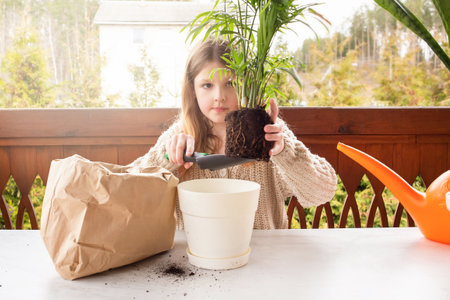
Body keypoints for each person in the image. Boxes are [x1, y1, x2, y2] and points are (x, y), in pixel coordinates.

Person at [130, 39, 337, 229]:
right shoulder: (179, 136)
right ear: (193, 90)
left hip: (263, 258)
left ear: (246, 85)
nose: (219, 96)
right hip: (195, 259)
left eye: (230, 84)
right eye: (207, 85)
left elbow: (322, 192)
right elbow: (131, 192)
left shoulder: (270, 132)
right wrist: (166, 158)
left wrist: (284, 154)